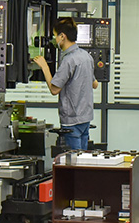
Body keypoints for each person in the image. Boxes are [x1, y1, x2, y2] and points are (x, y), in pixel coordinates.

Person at [32, 17, 99, 151]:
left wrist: (44, 67)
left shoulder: (69, 60)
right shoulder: (86, 56)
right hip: (86, 118)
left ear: (62, 36)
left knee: (74, 160)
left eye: (55, 36)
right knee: (82, 157)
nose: (54, 39)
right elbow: (95, 84)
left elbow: (54, 90)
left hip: (72, 120)